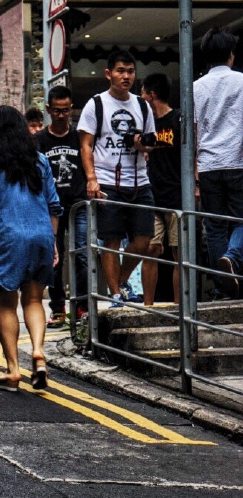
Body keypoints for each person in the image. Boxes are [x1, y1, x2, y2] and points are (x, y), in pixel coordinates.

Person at [0, 106, 62, 392]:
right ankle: (38, 353)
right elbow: (54, 204)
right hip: (42, 235)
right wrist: (53, 242)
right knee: (35, 300)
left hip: (8, 237)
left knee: (7, 303)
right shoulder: (39, 159)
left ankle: (13, 370)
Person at [77, 51, 156, 306]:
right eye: (121, 71)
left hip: (139, 181)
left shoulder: (143, 105)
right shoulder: (96, 104)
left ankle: (120, 282)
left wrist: (142, 145)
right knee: (110, 241)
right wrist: (92, 178)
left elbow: (151, 143)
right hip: (108, 181)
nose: (126, 76)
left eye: (131, 71)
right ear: (108, 73)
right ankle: (114, 295)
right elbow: (86, 145)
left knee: (144, 240)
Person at [192, 27, 243, 297]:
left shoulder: (196, 88)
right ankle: (233, 258)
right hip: (238, 163)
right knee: (240, 222)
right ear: (231, 55)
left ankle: (222, 289)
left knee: (214, 227)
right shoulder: (242, 82)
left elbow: (193, 132)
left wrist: (194, 174)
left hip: (209, 166)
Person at [36, 86, 89, 327]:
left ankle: (82, 307)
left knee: (82, 256)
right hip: (50, 209)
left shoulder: (79, 137)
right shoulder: (38, 141)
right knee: (54, 259)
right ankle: (57, 308)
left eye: (65, 110)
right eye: (57, 111)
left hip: (78, 205)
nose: (61, 115)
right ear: (48, 109)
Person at [140, 73, 181, 306]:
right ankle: (148, 304)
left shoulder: (178, 119)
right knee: (151, 249)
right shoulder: (147, 123)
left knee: (179, 255)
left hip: (176, 194)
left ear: (151, 95)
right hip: (153, 194)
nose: (142, 98)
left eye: (143, 93)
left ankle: (178, 305)